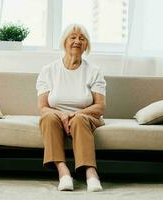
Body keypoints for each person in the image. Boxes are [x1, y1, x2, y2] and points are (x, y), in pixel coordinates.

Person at [36, 24, 106, 192]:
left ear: (86, 45)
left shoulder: (94, 71)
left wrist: (75, 114)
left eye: (82, 38)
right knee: (48, 118)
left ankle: (91, 172)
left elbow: (100, 106)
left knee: (79, 119)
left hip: (86, 117)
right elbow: (43, 107)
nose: (77, 41)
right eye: (72, 37)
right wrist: (61, 115)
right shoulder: (48, 70)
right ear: (64, 42)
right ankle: (63, 171)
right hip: (55, 116)